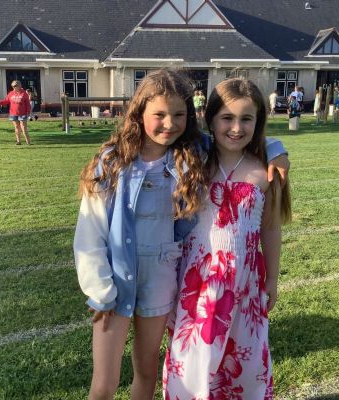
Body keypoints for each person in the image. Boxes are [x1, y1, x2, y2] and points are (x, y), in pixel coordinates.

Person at [73, 69, 290, 400]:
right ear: (139, 112)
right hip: (124, 281)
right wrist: (99, 288)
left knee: (149, 370)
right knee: (104, 384)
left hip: (168, 280)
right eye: (159, 114)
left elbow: (240, 139)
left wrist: (275, 148)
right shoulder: (119, 161)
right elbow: (91, 231)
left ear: (190, 117)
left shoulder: (189, 156)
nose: (169, 123)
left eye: (178, 114)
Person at [163, 77, 292, 400]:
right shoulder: (192, 164)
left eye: (246, 119)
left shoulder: (265, 171)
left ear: (258, 122)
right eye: (227, 118)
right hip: (197, 284)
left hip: (245, 283)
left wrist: (272, 278)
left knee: (244, 362)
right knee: (195, 361)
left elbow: (270, 228)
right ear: (210, 119)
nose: (236, 128)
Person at [0, 80, 31, 145]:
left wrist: (28, 112)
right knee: (16, 127)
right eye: (13, 86)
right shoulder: (11, 93)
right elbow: (6, 101)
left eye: (15, 86)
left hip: (22, 114)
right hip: (13, 113)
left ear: (19, 86)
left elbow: (28, 104)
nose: (14, 87)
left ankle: (28, 142)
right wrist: (0, 102)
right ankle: (18, 141)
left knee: (23, 127)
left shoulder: (24, 93)